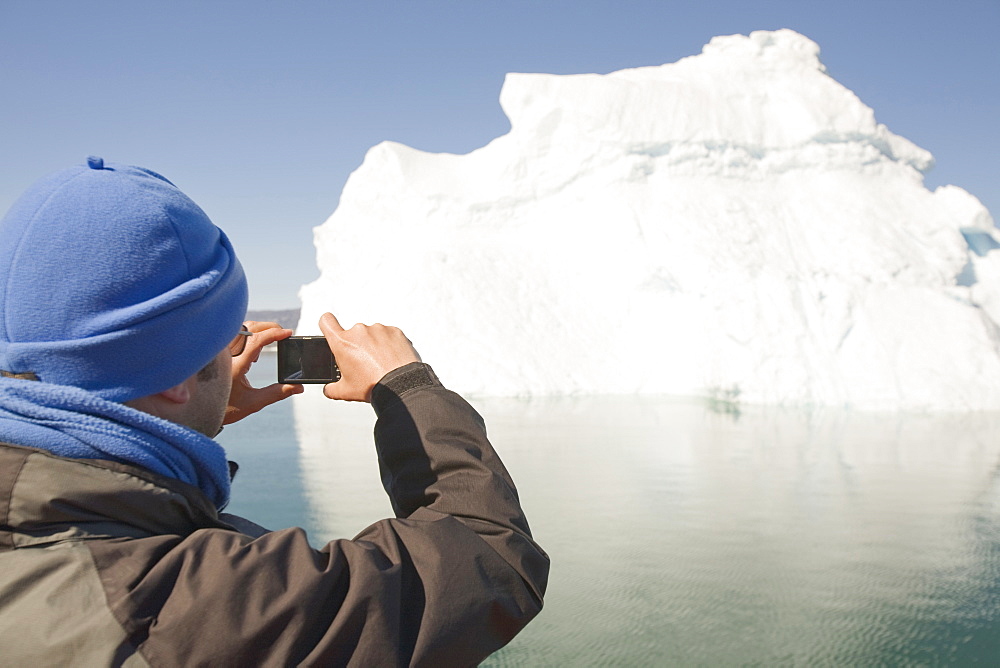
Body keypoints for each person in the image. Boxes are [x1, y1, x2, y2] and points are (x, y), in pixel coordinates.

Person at [0, 157, 548, 665]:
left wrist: (183, 416)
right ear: (177, 376)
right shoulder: (188, 605)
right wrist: (408, 389)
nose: (236, 349)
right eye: (225, 337)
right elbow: (490, 561)